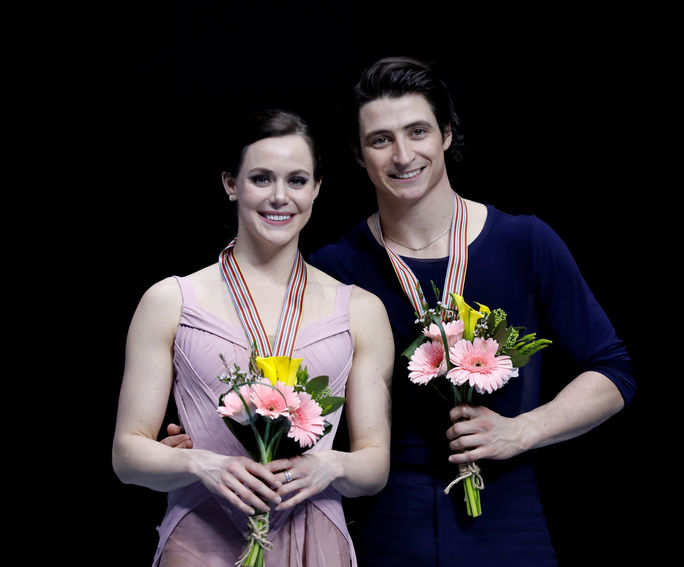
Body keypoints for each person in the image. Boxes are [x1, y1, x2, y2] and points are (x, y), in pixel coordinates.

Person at [164, 57, 636, 566]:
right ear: (359, 155)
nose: (403, 154)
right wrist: (211, 441)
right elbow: (280, 385)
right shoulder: (334, 270)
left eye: (418, 131)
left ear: (447, 135)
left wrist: (522, 430)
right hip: (378, 535)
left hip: (509, 528)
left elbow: (612, 371)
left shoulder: (525, 242)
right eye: (380, 140)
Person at [112, 109, 394, 566]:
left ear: (317, 188)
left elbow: (374, 465)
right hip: (202, 535)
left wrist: (332, 465)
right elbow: (127, 455)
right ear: (231, 184)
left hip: (315, 535)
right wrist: (201, 463)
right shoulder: (171, 300)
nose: (280, 197)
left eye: (297, 180)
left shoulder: (360, 310)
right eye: (261, 178)